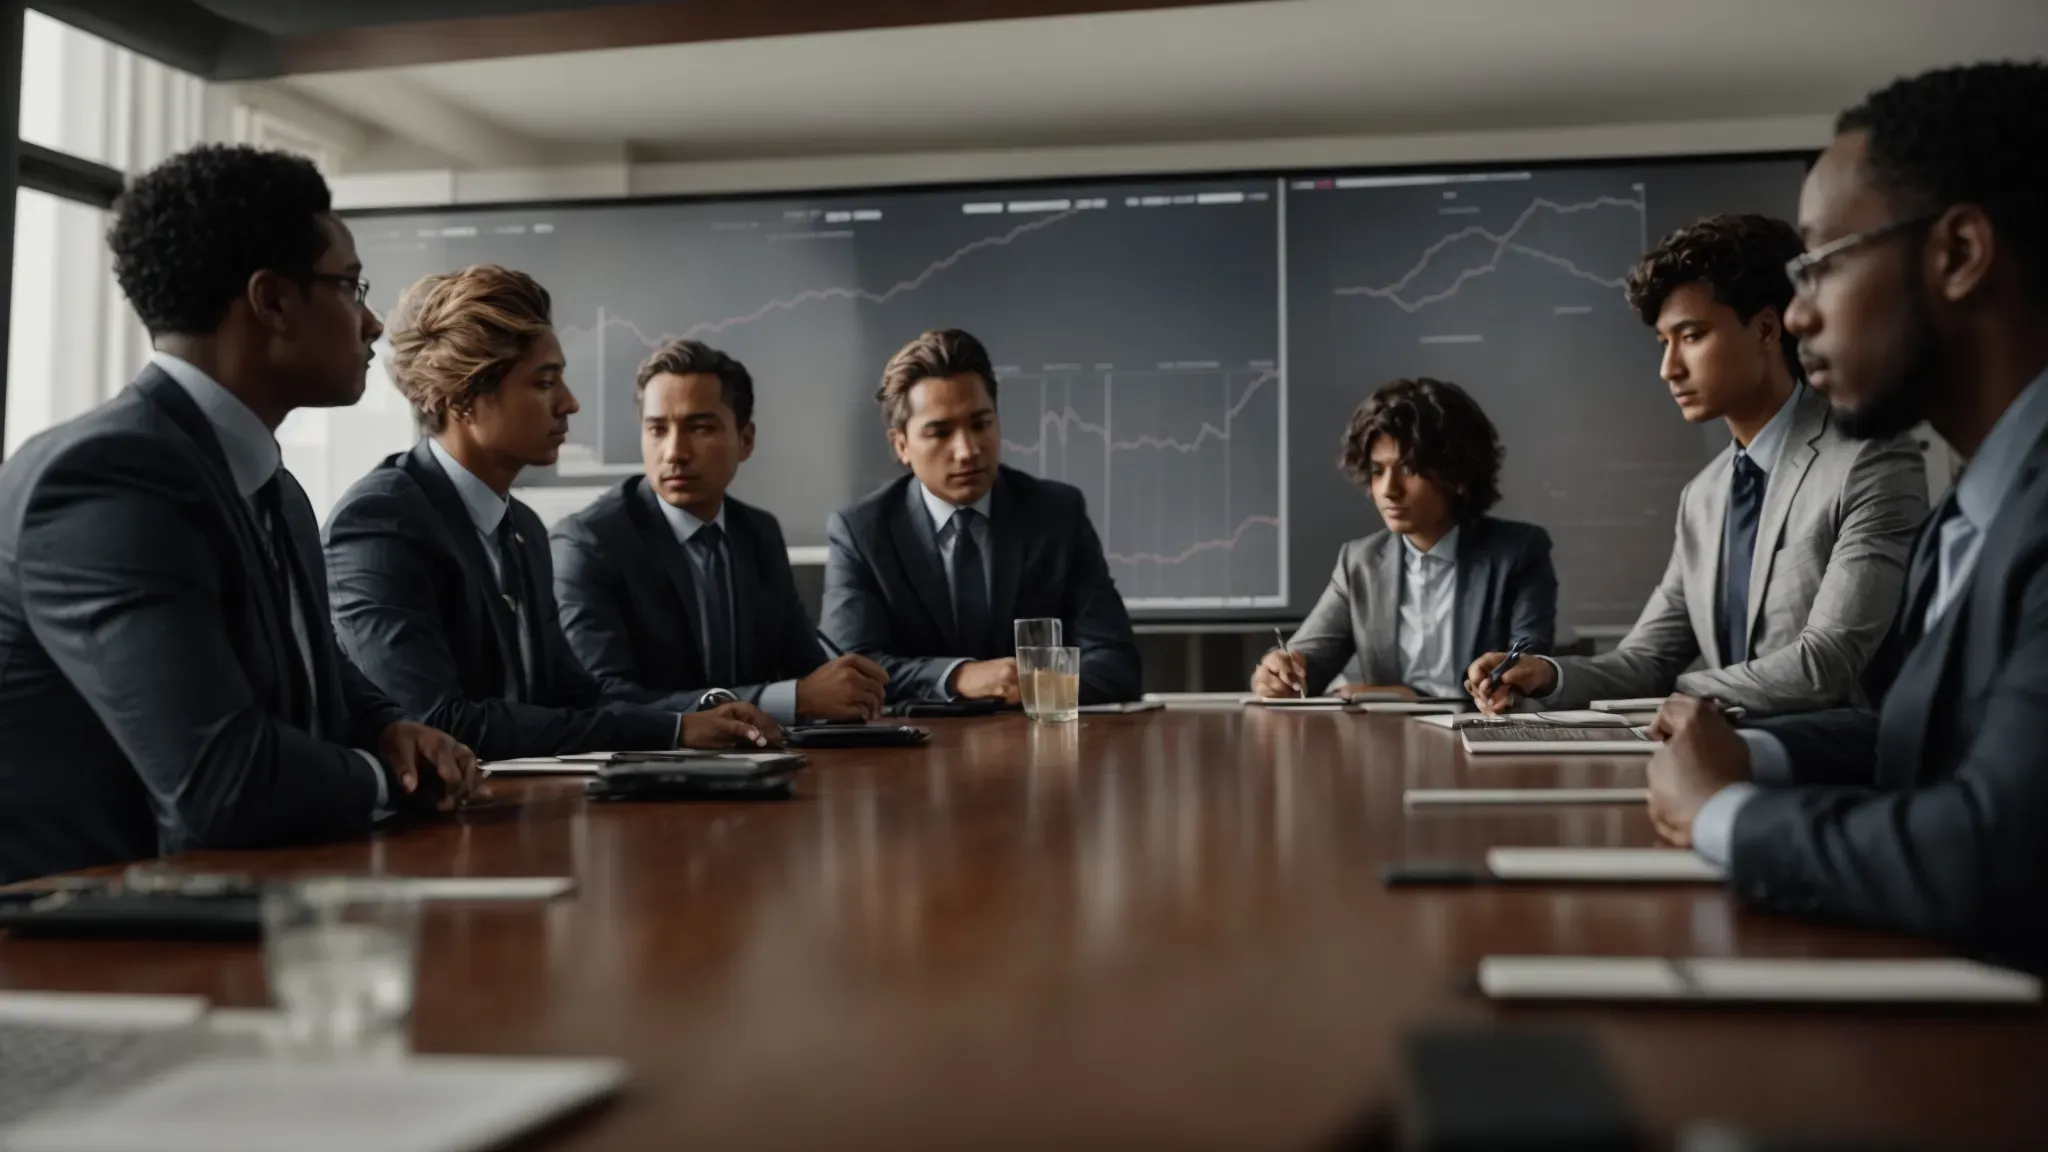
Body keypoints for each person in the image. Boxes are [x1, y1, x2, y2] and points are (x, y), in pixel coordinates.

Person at [1644, 61, 2048, 968]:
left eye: (1821, 264)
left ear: (1958, 254)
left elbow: (2001, 854)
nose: (1793, 314)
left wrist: (1724, 814)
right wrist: (1754, 759)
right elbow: (1918, 734)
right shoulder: (1973, 512)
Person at [0, 145, 480, 883]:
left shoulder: (270, 488)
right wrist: (395, 781)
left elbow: (314, 678)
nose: (374, 323)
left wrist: (390, 729)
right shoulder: (106, 479)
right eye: (351, 286)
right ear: (273, 301)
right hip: (74, 949)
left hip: (220, 908)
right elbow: (222, 781)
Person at [1467, 214, 1928, 717]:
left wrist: (1674, 694)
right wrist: (1546, 675)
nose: (1669, 369)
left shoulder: (1870, 460)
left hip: (1837, 775)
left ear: (1767, 329)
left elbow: (1825, 666)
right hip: (1706, 762)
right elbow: (1646, 660)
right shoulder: (1703, 497)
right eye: (1665, 344)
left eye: (1691, 336)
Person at [323, 265, 778, 762]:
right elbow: (436, 720)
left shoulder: (524, 529)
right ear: (463, 399)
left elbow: (574, 698)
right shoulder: (379, 524)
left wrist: (694, 717)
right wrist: (673, 733)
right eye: (544, 382)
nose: (569, 403)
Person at [551, 339, 888, 723]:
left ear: (745, 440)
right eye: (658, 429)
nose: (674, 452)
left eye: (700, 428)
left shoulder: (757, 532)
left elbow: (806, 672)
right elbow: (604, 701)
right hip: (648, 770)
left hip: (761, 765)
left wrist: (846, 689)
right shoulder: (590, 543)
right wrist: (789, 700)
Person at [822, 328, 1141, 705]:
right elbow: (850, 672)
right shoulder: (861, 531)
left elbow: (1117, 665)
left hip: (1038, 748)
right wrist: (957, 677)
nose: (967, 450)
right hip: (916, 754)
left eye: (980, 424)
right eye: (940, 432)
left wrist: (1031, 688)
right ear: (902, 445)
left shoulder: (1056, 514)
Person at [1252, 378, 1555, 699]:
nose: (1388, 490)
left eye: (1409, 469)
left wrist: (1408, 695)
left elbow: (1529, 670)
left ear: (1459, 474)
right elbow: (1309, 661)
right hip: (1391, 742)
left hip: (1480, 738)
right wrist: (1281, 673)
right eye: (1378, 470)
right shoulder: (1360, 561)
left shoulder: (1519, 551)